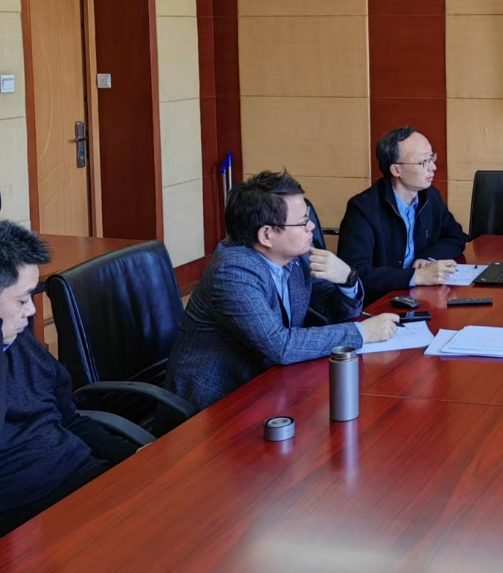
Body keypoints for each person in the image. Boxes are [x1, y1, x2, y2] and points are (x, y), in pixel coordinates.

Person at [0, 221, 138, 542]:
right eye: (22, 300)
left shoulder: (16, 338)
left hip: (89, 488)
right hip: (28, 530)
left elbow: (68, 419)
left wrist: (136, 460)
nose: (31, 310)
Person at [165, 170, 399, 411]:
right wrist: (361, 333)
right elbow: (280, 346)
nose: (311, 226)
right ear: (266, 234)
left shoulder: (297, 256)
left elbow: (333, 312)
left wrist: (347, 279)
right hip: (214, 406)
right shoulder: (233, 272)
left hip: (269, 387)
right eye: (302, 222)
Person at [337, 126, 468, 304]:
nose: (433, 167)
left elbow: (456, 236)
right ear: (396, 170)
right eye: (424, 162)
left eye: (432, 158)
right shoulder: (362, 209)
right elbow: (354, 274)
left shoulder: (429, 197)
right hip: (380, 304)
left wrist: (428, 258)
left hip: (420, 296)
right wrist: (415, 276)